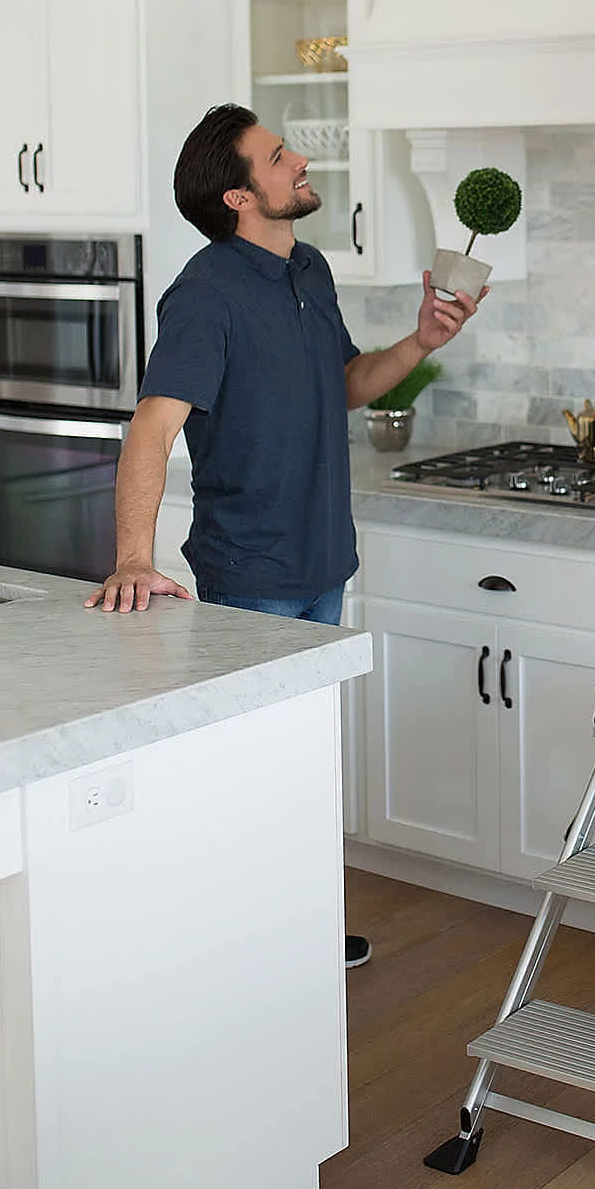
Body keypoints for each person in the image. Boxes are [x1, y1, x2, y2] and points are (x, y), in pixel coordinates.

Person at [85, 101, 486, 968]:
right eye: (277, 156)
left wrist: (419, 341)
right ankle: (247, 945)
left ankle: (293, 925)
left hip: (321, 561)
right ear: (237, 196)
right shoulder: (204, 295)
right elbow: (151, 429)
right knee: (256, 769)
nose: (299, 158)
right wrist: (131, 559)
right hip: (253, 572)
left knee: (304, 764)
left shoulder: (308, 267)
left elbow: (344, 382)